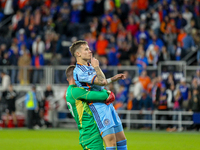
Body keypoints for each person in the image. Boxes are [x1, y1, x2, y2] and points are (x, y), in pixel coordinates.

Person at [70, 40, 127, 150]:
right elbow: (102, 82)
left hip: (107, 104)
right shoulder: (79, 71)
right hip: (98, 106)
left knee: (122, 139)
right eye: (86, 49)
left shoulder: (89, 66)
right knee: (111, 142)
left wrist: (112, 79)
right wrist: (97, 66)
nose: (90, 51)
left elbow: (103, 81)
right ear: (78, 54)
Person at [65, 65, 115, 150]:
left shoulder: (70, 91)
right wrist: (107, 92)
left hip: (87, 133)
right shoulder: (76, 91)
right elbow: (102, 96)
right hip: (90, 133)